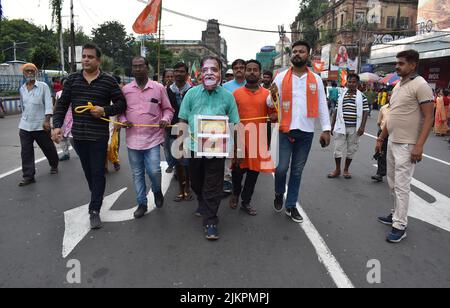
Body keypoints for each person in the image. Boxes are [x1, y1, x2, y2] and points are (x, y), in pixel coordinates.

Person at [52, 43, 127, 230]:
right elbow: (62, 105)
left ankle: (94, 209)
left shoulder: (108, 81)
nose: (85, 59)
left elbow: (121, 104)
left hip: (98, 136)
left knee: (97, 172)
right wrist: (56, 126)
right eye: (84, 56)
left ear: (98, 60)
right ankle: (97, 196)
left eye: (90, 57)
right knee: (88, 172)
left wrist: (104, 110)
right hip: (78, 136)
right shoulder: (72, 80)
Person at [268, 40, 331, 223]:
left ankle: (291, 205)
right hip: (285, 130)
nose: (297, 54)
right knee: (281, 169)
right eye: (294, 51)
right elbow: (269, 102)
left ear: (308, 55)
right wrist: (271, 97)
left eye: (301, 51)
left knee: (296, 171)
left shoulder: (316, 79)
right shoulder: (280, 77)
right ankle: (279, 193)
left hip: (306, 132)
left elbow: (322, 105)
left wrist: (326, 129)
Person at [376, 50, 435, 243]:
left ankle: (400, 226)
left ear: (413, 65)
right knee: (392, 183)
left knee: (401, 186)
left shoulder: (421, 85)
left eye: (401, 63)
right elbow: (392, 115)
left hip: (408, 145)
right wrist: (381, 138)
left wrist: (419, 146)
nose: (397, 66)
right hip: (393, 140)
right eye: (397, 63)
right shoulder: (398, 86)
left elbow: (429, 117)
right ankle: (395, 215)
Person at [178, 56, 240, 241]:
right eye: (206, 69)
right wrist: (180, 145)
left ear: (220, 73)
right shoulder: (191, 94)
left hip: (217, 150)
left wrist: (236, 150)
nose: (209, 73)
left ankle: (210, 221)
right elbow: (182, 119)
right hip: (195, 147)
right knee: (196, 182)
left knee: (213, 184)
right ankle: (202, 201)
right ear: (200, 73)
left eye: (214, 69)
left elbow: (235, 124)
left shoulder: (228, 97)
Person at [118, 56, 174, 219]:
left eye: (140, 66)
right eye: (134, 66)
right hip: (132, 140)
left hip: (153, 139)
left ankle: (157, 191)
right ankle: (141, 203)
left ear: (147, 67)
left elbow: (168, 110)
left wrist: (165, 119)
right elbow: (121, 112)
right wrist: (123, 121)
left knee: (154, 170)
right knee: (137, 174)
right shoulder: (126, 89)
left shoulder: (158, 88)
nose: (137, 69)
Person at [230, 60, 276, 216]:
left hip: (259, 140)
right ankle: (235, 194)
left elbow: (273, 114)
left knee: (253, 174)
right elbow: (229, 117)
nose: (251, 72)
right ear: (244, 72)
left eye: (255, 70)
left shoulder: (267, 95)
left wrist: (276, 113)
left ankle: (246, 202)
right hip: (239, 140)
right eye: (248, 69)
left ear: (260, 73)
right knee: (237, 172)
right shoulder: (235, 94)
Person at [18, 63, 59, 187]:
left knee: (47, 147)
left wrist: (47, 120)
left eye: (32, 71)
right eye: (27, 71)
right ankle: (28, 176)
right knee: (26, 151)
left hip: (40, 124)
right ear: (24, 74)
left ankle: (54, 164)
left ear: (36, 73)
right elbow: (23, 106)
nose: (29, 73)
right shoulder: (22, 88)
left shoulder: (43, 86)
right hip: (25, 125)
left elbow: (48, 104)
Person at [328, 73, 369, 179]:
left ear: (358, 83)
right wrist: (332, 126)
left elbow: (365, 112)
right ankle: (337, 169)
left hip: (354, 128)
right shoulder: (342, 95)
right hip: (340, 126)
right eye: (349, 82)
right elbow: (336, 110)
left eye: (354, 82)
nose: (351, 84)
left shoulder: (362, 96)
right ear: (347, 82)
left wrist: (362, 127)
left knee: (351, 149)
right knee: (337, 149)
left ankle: (346, 169)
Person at [166, 62, 193, 202]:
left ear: (187, 74)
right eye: (176, 71)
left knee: (187, 161)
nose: (178, 73)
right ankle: (181, 190)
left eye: (181, 71)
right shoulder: (167, 90)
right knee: (178, 161)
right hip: (172, 130)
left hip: (190, 130)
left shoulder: (193, 90)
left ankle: (188, 187)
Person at [222, 59, 247, 194]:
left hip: (248, 126)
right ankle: (227, 180)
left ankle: (238, 180)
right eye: (236, 67)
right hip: (229, 125)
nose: (239, 69)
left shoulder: (251, 85)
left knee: (242, 153)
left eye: (241, 67)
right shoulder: (225, 87)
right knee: (229, 152)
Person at [372, 102, 390, 182]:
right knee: (381, 153)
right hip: (383, 133)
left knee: (395, 154)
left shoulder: (400, 108)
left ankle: (396, 175)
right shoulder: (383, 108)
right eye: (390, 95)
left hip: (395, 134)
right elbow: (379, 122)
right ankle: (380, 173)